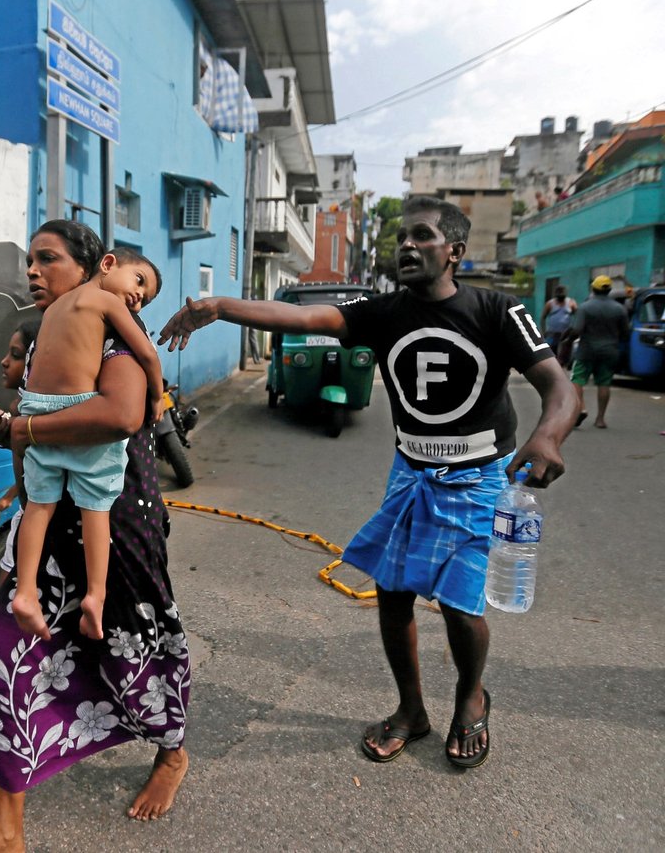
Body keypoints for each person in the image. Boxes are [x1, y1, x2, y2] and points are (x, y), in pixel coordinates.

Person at [158, 195, 577, 770]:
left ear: (454, 251)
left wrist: (548, 435)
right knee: (393, 592)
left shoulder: (497, 310)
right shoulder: (382, 312)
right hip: (411, 475)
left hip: (480, 478)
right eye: (403, 238)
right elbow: (305, 318)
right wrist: (220, 307)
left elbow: (559, 386)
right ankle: (411, 710)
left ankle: (471, 697)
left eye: (423, 236)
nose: (407, 245)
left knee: (460, 607)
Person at [0, 221, 189, 853]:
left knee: (137, 649)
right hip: (48, 532)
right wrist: (2, 428)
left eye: (47, 259)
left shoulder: (117, 351)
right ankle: (7, 833)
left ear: (87, 269)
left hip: (119, 529)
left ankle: (171, 751)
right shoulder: (42, 342)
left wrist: (22, 431)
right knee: (7, 665)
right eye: (32, 260)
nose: (35, 270)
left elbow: (118, 415)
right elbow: (33, 428)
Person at [0, 247, 164, 644]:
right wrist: (156, 395)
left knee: (39, 505)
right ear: (107, 264)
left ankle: (23, 593)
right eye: (139, 282)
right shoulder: (104, 300)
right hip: (78, 410)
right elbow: (146, 353)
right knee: (96, 506)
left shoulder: (50, 312)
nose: (139, 298)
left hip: (37, 410)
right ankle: (95, 596)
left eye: (147, 297)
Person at [0, 317, 42, 527]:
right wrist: (7, 498)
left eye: (15, 355)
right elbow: (32, 468)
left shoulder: (38, 418)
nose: (4, 361)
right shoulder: (21, 407)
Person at [566, 274, 630, 429]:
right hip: (610, 351)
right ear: (609, 290)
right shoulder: (620, 309)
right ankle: (600, 419)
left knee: (577, 380)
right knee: (604, 383)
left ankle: (581, 408)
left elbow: (578, 330)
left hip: (587, 350)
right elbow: (625, 333)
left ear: (593, 289)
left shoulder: (585, 307)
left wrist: (568, 340)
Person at [540, 285, 577, 365]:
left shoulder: (571, 302)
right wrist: (544, 331)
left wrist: (574, 328)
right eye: (559, 294)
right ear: (556, 294)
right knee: (551, 352)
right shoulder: (550, 303)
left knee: (565, 352)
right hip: (552, 333)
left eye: (562, 294)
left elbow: (577, 315)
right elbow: (543, 317)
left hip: (566, 333)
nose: (561, 297)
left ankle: (563, 366)